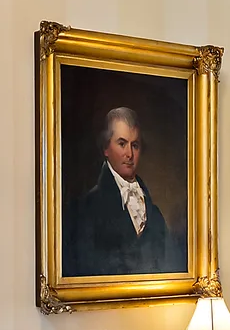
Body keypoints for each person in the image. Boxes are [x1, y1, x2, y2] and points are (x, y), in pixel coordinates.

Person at [66, 106, 176, 276]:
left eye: (135, 145)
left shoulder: (155, 214)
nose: (129, 154)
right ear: (106, 148)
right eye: (122, 143)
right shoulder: (85, 210)